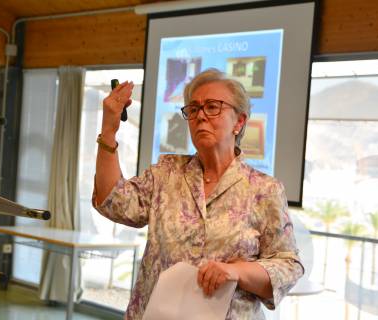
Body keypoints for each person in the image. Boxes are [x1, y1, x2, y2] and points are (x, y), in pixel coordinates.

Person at [93, 68, 304, 319]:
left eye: (212, 107)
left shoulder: (265, 190)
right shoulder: (167, 173)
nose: (200, 116)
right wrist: (109, 129)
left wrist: (236, 272)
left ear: (239, 122)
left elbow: (288, 266)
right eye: (193, 109)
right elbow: (111, 200)